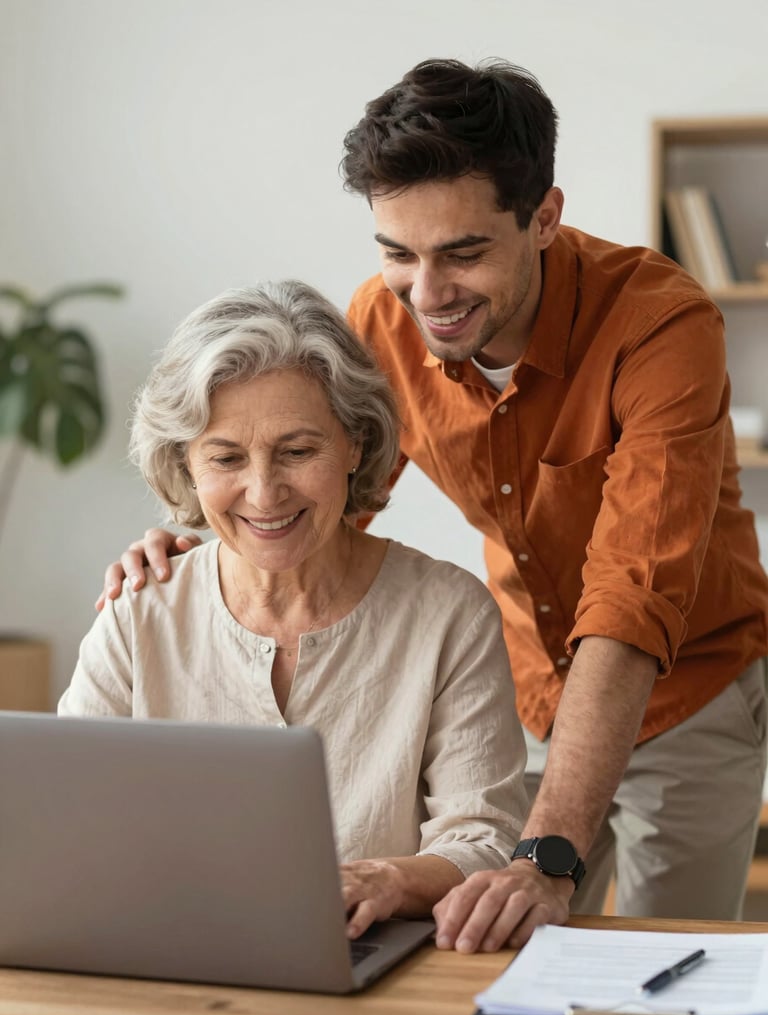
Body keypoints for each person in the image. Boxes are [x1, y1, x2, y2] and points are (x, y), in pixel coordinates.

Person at [100, 59, 768, 951]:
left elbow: (632, 594)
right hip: (535, 690)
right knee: (502, 957)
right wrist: (201, 542)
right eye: (399, 254)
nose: (428, 292)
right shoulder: (384, 323)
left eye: (463, 253)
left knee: (654, 976)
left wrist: (547, 853)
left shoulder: (661, 326)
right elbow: (324, 496)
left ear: (544, 217)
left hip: (686, 692)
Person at [62, 278, 529, 941]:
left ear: (356, 444)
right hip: (168, 952)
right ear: (186, 465)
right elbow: (67, 818)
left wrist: (386, 880)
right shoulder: (139, 612)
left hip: (368, 960)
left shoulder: (450, 614)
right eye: (226, 457)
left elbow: (483, 840)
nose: (264, 493)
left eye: (298, 451)